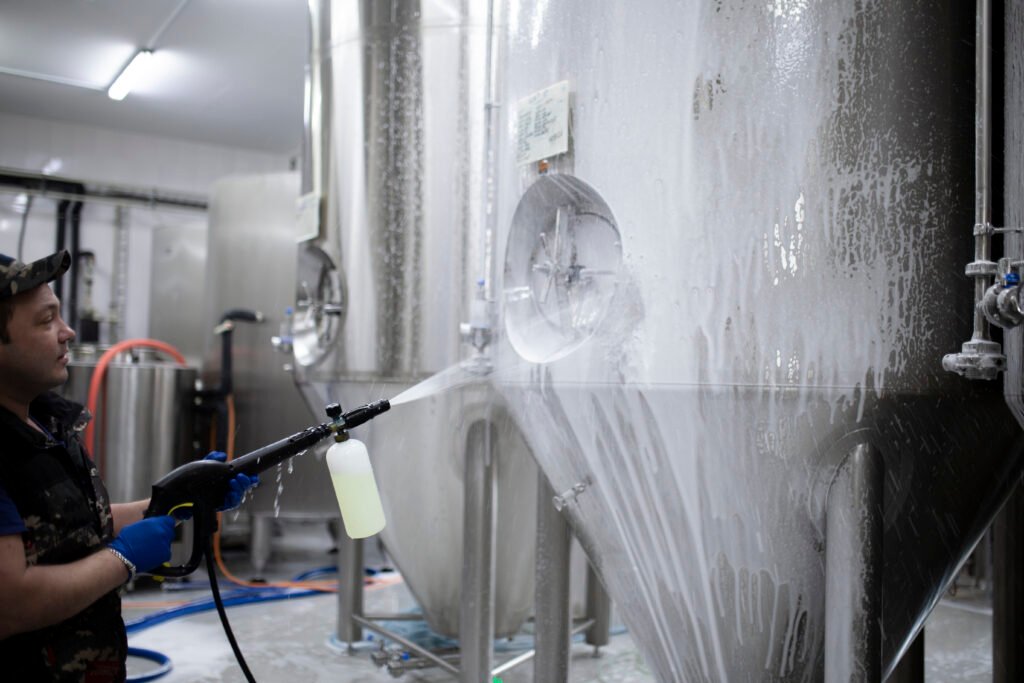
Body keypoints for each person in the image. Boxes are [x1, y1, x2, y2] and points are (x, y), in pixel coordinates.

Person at [0, 249, 256, 682]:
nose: (66, 333)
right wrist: (124, 558)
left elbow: (72, 528)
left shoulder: (43, 421)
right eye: (46, 322)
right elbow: (11, 604)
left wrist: (177, 500)